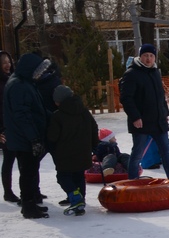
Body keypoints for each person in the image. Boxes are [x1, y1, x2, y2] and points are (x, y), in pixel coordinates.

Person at [2, 52, 52, 218]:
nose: (39, 74)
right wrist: (34, 138)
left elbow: (36, 108)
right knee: (28, 172)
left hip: (25, 137)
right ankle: (28, 206)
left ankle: (30, 203)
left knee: (30, 170)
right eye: (37, 70)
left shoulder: (25, 82)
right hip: (24, 138)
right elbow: (22, 115)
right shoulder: (18, 85)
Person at [119, 43, 169, 181]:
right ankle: (133, 181)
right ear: (140, 57)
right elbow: (126, 99)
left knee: (166, 153)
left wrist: (165, 113)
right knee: (138, 153)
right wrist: (135, 117)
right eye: (145, 55)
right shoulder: (131, 74)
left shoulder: (155, 72)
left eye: (151, 56)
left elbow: (160, 96)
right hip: (141, 121)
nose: (148, 59)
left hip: (158, 120)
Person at [46, 84, 97, 215]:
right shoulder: (84, 111)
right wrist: (94, 144)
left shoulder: (57, 116)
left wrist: (51, 147)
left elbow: (52, 136)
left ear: (58, 101)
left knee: (63, 176)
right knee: (79, 175)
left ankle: (75, 198)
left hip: (64, 154)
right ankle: (80, 199)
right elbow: (94, 128)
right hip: (83, 152)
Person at [0, 50, 16, 203]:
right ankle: (8, 191)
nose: (7, 65)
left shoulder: (12, 79)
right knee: (9, 159)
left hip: (15, 126)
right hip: (4, 129)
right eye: (4, 62)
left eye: (8, 61)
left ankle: (30, 191)